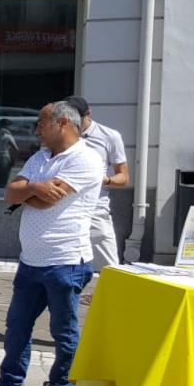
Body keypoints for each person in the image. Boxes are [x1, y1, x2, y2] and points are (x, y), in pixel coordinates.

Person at [0, 101, 104, 386]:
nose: (36, 131)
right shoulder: (41, 156)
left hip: (66, 260)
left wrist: (30, 191)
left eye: (42, 124)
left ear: (62, 124)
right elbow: (11, 192)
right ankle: (11, 383)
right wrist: (36, 188)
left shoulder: (86, 159)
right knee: (17, 325)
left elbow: (46, 203)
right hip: (31, 260)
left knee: (64, 331)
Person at [64, 96, 128, 270]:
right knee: (62, 265)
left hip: (95, 208)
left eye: (76, 119)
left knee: (109, 267)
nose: (72, 124)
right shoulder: (61, 136)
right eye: (67, 119)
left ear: (88, 114)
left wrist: (105, 180)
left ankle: (108, 297)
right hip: (63, 208)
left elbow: (123, 177)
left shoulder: (110, 136)